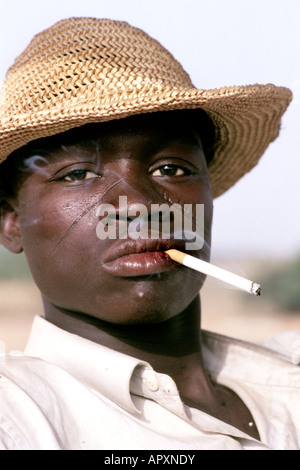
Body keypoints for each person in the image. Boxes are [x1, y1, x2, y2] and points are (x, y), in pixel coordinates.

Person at [0, 17, 298, 451]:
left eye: (172, 169)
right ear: (11, 222)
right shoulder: (19, 418)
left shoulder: (285, 380)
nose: (139, 205)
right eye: (79, 173)